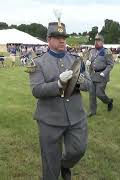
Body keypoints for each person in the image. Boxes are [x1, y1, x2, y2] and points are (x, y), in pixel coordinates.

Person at [28, 20, 90, 180]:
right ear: (49, 40)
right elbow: (37, 90)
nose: (62, 40)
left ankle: (65, 165)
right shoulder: (38, 62)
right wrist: (58, 84)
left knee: (78, 150)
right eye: (57, 37)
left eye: (64, 37)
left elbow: (89, 85)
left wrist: (81, 81)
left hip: (76, 116)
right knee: (50, 164)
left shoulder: (76, 60)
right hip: (50, 118)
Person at [85, 34, 114, 117]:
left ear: (102, 42)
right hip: (92, 75)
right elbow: (88, 59)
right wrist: (87, 62)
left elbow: (111, 64)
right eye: (96, 41)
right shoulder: (91, 50)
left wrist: (104, 72)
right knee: (92, 94)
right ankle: (92, 111)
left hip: (102, 76)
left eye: (98, 41)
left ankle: (109, 101)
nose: (96, 42)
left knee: (99, 93)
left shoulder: (106, 51)